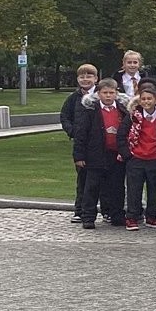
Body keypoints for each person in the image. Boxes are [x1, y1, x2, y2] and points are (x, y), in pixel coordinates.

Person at [73, 79, 130, 229]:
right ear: (98, 94)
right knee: (92, 187)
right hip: (96, 154)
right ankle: (88, 217)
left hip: (116, 155)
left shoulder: (123, 111)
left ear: (117, 93)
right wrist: (79, 156)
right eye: (105, 93)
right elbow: (81, 134)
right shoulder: (90, 111)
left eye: (111, 93)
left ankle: (116, 215)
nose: (108, 96)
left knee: (117, 187)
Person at [117, 86, 156, 231]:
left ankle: (151, 216)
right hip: (136, 158)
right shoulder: (132, 116)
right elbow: (121, 135)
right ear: (139, 101)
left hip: (155, 158)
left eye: (149, 99)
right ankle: (132, 217)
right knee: (134, 189)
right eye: (143, 99)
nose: (146, 102)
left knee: (153, 190)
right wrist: (128, 155)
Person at [61, 63, 99, 223]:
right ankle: (80, 210)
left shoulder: (100, 96)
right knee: (82, 178)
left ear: (96, 79)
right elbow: (65, 116)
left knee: (101, 179)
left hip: (99, 144)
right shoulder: (73, 98)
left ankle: (107, 210)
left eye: (89, 76)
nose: (85, 79)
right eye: (82, 76)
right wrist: (73, 131)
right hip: (81, 143)